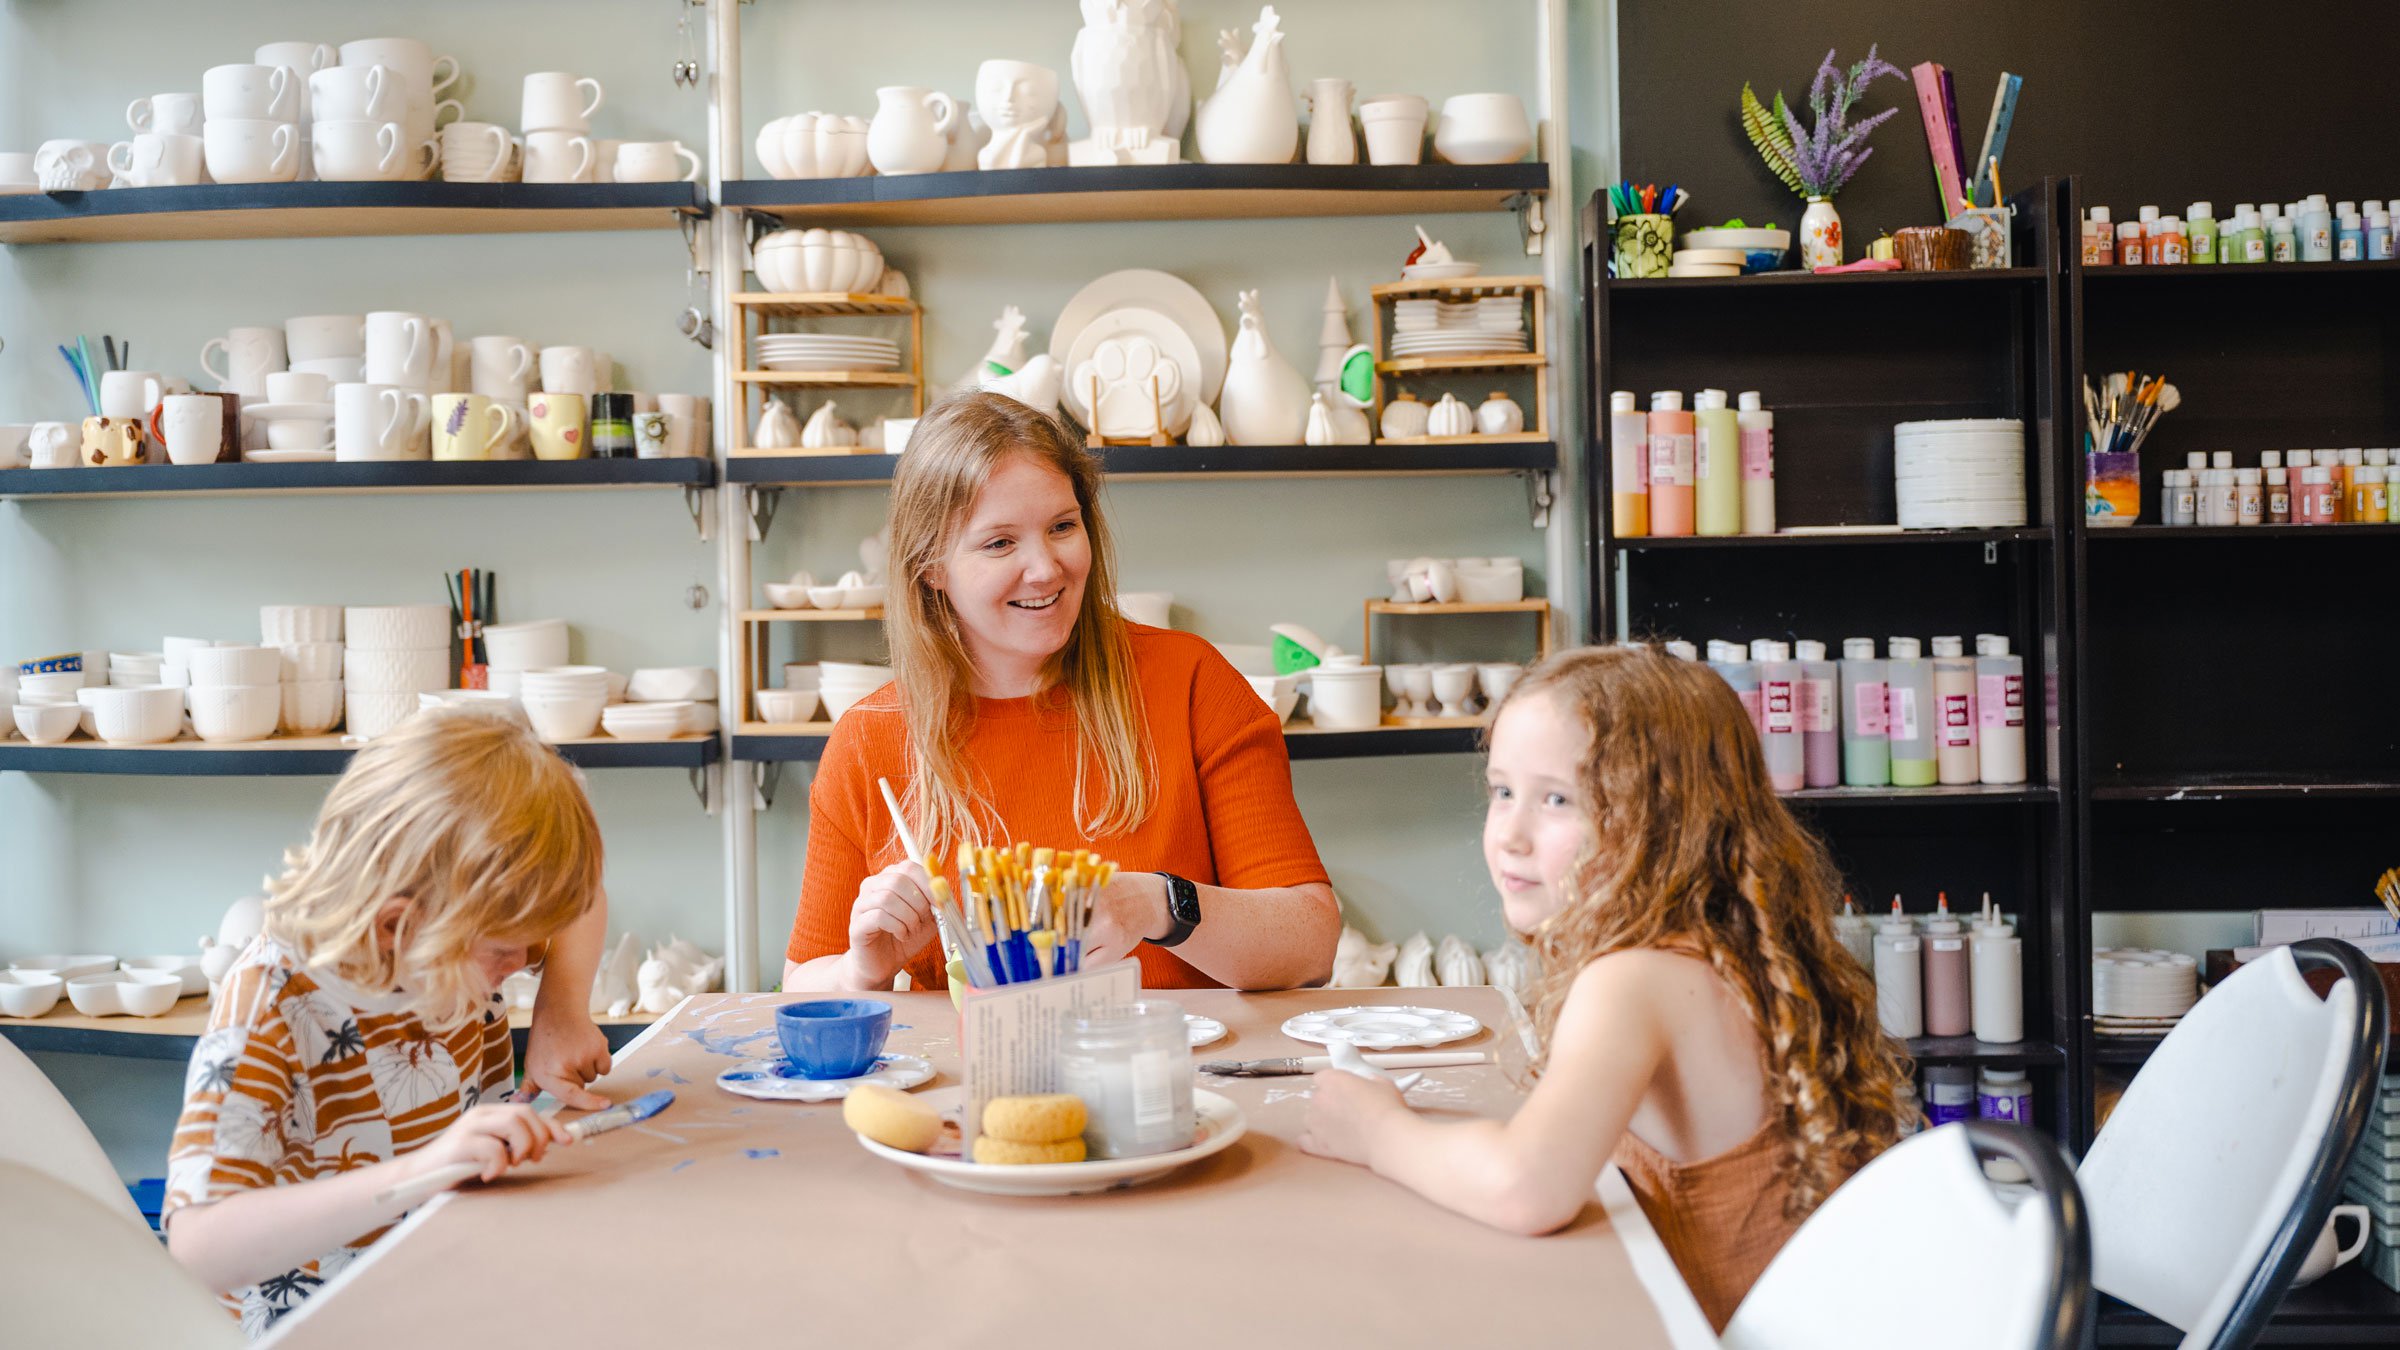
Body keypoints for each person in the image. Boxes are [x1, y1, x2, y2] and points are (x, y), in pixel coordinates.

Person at [1298, 646, 1909, 1330]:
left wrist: (1379, 1132)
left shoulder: (1635, 978)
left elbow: (1527, 1187)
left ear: (1666, 820)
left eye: (1557, 799)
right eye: (1502, 791)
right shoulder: (1716, 950)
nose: (1511, 835)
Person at [784, 392, 1338, 993]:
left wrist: (1157, 905)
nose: (1046, 568)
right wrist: (860, 970)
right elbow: (801, 983)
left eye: (1062, 527)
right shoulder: (869, 737)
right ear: (932, 567)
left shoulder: (1192, 682)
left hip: (1166, 1054)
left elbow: (1311, 945)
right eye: (999, 543)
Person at [165, 707, 608, 1335]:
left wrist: (560, 1010)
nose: (521, 963)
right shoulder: (272, 1009)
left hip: (445, 1288)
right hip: (320, 1325)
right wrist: (421, 1172)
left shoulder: (450, 933)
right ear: (397, 926)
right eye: (505, 952)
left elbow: (580, 905)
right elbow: (196, 1248)